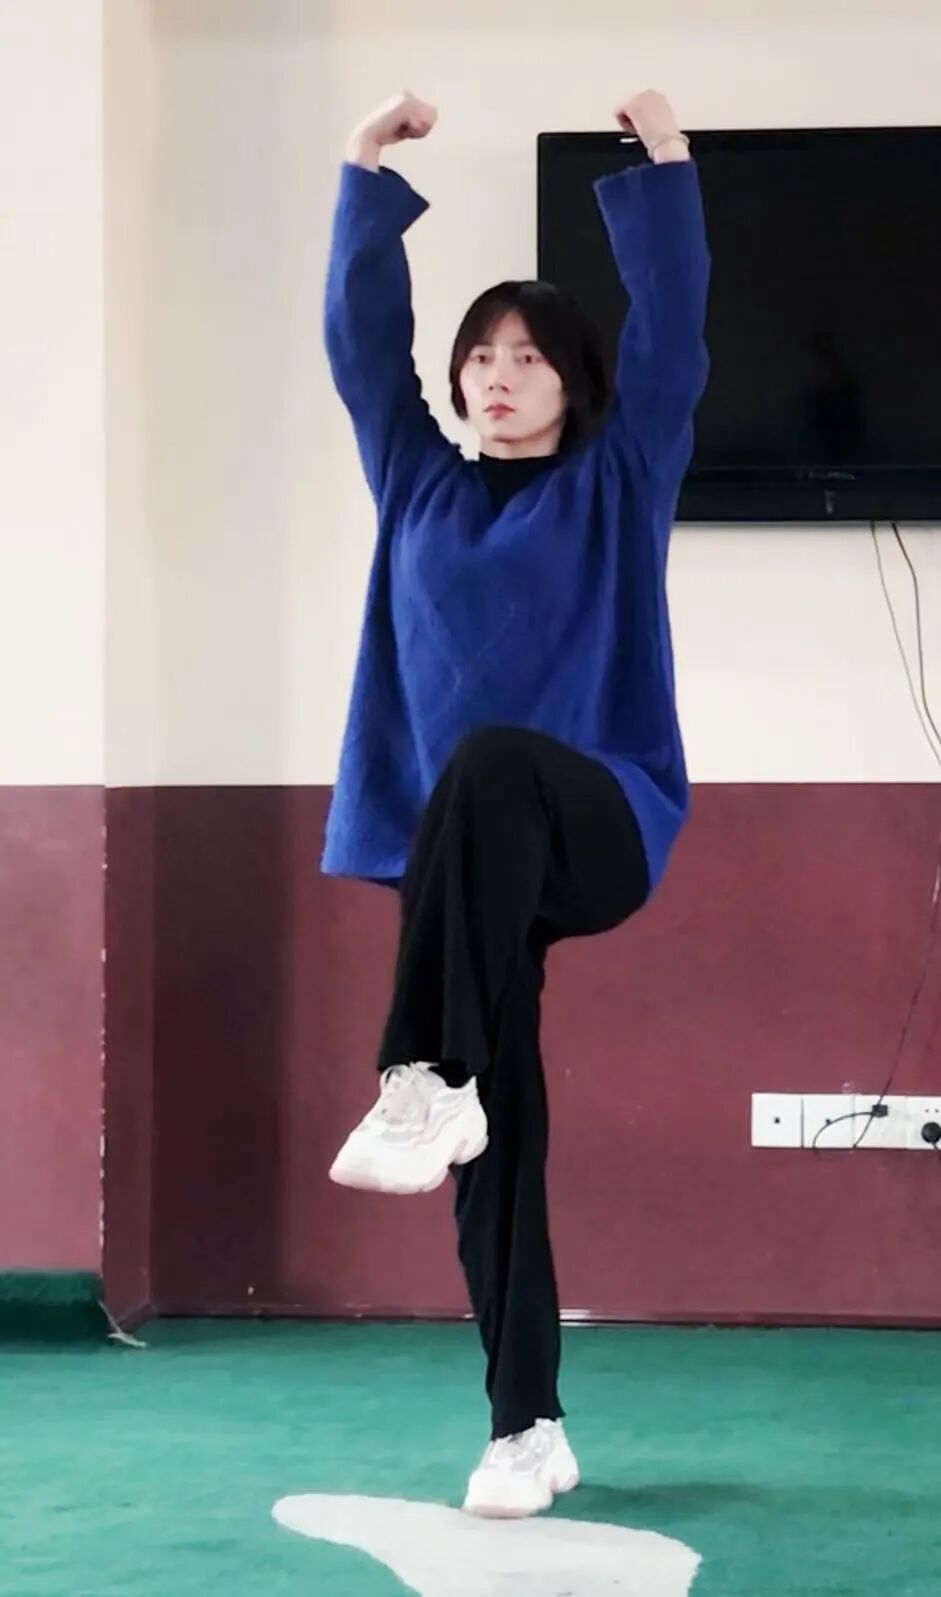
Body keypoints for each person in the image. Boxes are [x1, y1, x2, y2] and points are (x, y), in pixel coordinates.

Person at [321, 87, 711, 1518]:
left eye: (527, 356)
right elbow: (360, 345)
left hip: (599, 820)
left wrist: (665, 165)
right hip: (466, 871)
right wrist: (362, 171)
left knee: (487, 757)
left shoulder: (621, 476)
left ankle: (416, 1077)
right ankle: (523, 1427)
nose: (496, 375)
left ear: (572, 382)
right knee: (498, 1133)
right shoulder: (415, 483)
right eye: (480, 355)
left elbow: (674, 334)